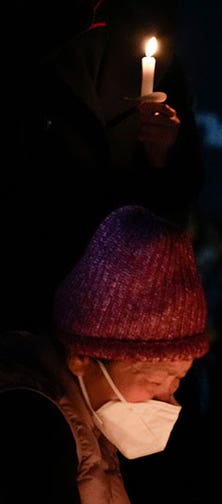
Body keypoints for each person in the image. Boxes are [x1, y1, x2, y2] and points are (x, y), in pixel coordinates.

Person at [0, 204, 210, 504]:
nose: (168, 400)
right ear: (82, 359)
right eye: (155, 381)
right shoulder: (30, 417)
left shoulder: (87, 412)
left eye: (178, 381)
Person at [10, 0, 204, 335]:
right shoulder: (38, 54)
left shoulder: (145, 54)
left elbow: (177, 194)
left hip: (118, 290)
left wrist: (162, 156)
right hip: (30, 274)